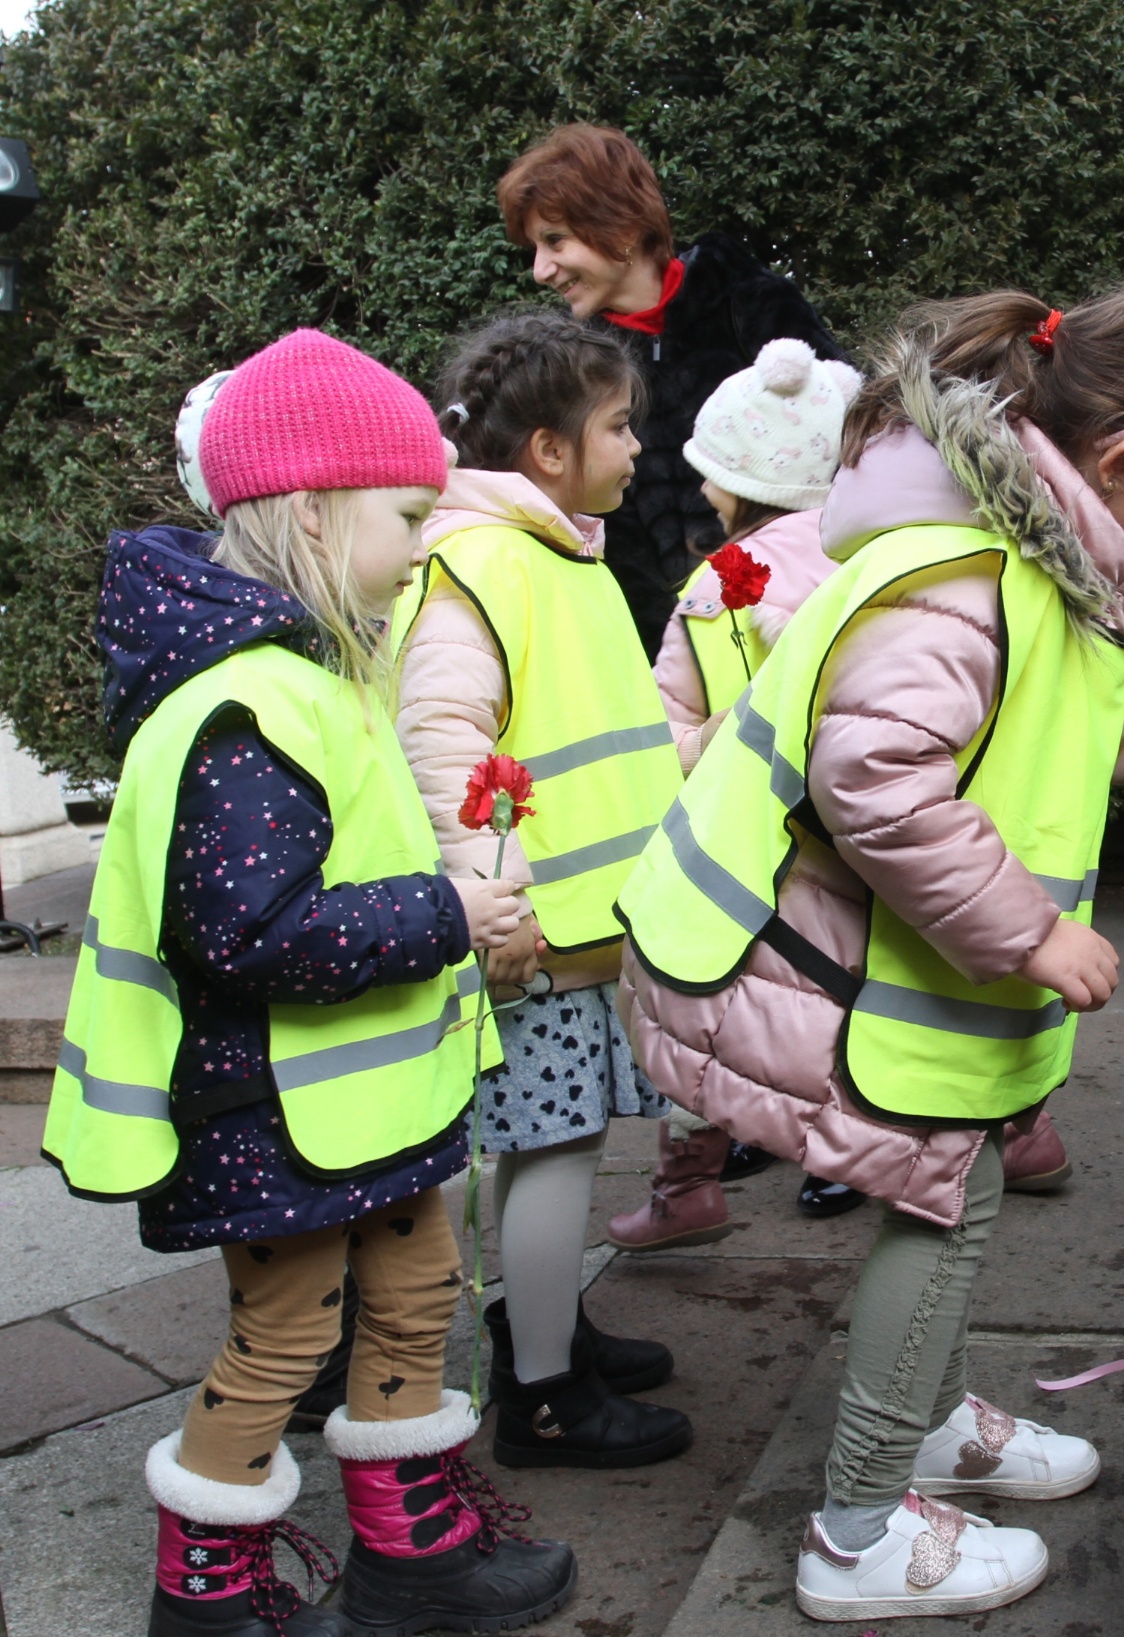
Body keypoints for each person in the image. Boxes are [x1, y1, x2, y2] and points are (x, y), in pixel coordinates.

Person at [612, 270, 1124, 1621]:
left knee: (946, 1186)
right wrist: (1027, 931)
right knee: (943, 1199)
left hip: (854, 960)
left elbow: (1104, 717)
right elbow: (878, 783)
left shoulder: (1012, 553)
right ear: (1123, 458)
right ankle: (857, 1532)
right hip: (825, 967)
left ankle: (923, 1424)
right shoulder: (969, 576)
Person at [43, 330, 574, 1637]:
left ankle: (412, 1554)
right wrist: (448, 912)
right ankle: (207, 1596)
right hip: (270, 1113)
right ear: (318, 512)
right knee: (284, 1335)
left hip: (358, 1103)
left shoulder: (314, 675)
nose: (423, 549)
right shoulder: (241, 711)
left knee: (416, 1295)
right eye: (408, 517)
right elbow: (253, 932)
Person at [392, 308, 689, 1470]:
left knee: (552, 1141)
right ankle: (545, 1393)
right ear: (549, 449)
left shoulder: (551, 551)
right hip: (535, 929)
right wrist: (493, 899)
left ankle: (544, 1325)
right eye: (618, 425)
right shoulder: (485, 562)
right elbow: (443, 741)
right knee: (556, 1145)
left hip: (574, 924)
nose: (636, 446)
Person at [606, 334, 872, 1247]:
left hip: (740, 843)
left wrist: (700, 744)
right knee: (856, 993)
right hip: (859, 836)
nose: (698, 486)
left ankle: (689, 1184)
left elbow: (667, 725)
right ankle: (850, 1157)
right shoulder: (881, 567)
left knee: (711, 1004)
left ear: (741, 482)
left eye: (709, 470)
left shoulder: (715, 583)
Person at [496, 123, 847, 657]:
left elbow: (848, 444)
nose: (540, 270)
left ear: (620, 226)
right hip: (676, 658)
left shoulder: (749, 302)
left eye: (555, 240)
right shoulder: (575, 372)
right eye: (536, 247)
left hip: (810, 618)